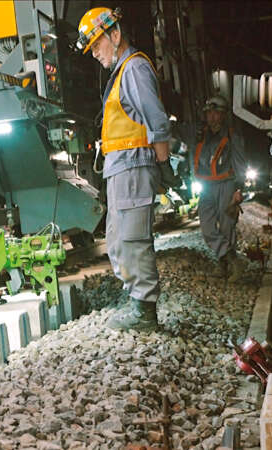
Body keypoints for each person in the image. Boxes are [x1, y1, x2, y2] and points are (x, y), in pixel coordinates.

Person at [75, 7, 172, 331]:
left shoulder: (134, 69)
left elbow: (156, 121)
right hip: (121, 169)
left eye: (97, 45)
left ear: (115, 35)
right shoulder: (122, 72)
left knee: (132, 239)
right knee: (118, 239)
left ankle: (145, 314)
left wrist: (162, 165)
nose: (95, 54)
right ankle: (137, 303)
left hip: (133, 167)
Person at [177, 96, 246, 281]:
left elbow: (240, 163)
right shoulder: (198, 133)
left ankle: (224, 267)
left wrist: (239, 190)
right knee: (207, 228)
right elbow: (174, 129)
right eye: (209, 113)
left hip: (226, 184)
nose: (213, 117)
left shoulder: (232, 136)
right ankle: (231, 258)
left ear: (223, 115)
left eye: (216, 113)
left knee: (226, 226)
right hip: (207, 186)